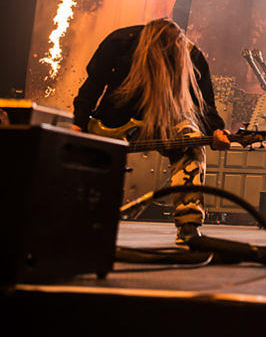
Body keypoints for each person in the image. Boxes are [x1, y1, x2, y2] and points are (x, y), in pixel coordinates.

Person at [72, 18, 230, 245]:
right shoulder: (119, 43)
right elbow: (93, 85)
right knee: (87, 163)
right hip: (114, 120)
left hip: (164, 122)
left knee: (191, 141)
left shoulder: (193, 57)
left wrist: (216, 131)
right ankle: (81, 218)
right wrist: (78, 123)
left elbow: (205, 107)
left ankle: (188, 224)